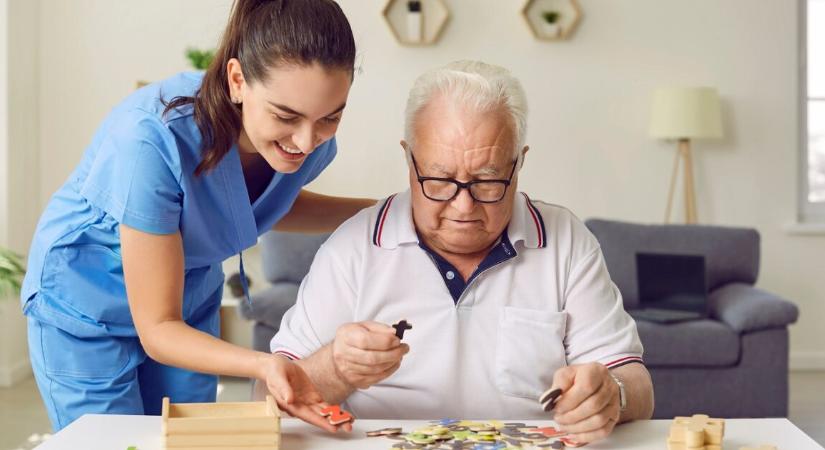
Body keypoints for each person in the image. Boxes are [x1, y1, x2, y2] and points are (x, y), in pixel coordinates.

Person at [21, 0, 371, 432]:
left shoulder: (309, 141)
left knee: (189, 437)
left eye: (330, 117)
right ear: (238, 80)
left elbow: (259, 204)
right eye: (286, 116)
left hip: (186, 300)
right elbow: (158, 327)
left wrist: (384, 211)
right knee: (115, 439)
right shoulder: (152, 139)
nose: (306, 139)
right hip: (87, 305)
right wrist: (267, 366)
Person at [267, 61, 655, 445]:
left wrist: (612, 395)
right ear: (408, 160)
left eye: (487, 181)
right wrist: (336, 368)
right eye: (439, 180)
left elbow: (637, 385)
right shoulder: (352, 247)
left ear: (518, 162)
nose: (463, 207)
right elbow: (266, 399)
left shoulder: (566, 241)